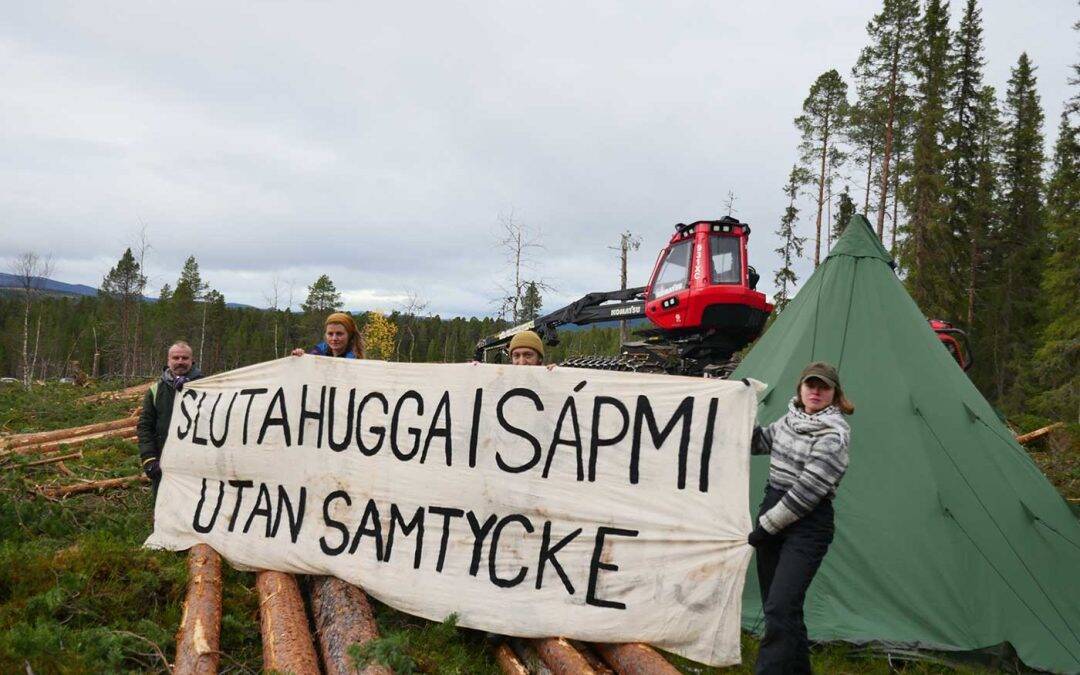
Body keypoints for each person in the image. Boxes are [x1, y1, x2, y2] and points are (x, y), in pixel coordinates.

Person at [747, 361, 854, 674]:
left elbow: (807, 493)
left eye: (824, 387)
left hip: (808, 525)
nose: (816, 391)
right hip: (773, 512)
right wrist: (741, 406)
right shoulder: (789, 420)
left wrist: (765, 527)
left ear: (835, 394)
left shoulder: (835, 435)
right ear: (801, 388)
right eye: (811, 385)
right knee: (780, 610)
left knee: (780, 606)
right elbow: (758, 442)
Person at [137, 341, 204, 500]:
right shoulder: (156, 390)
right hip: (164, 464)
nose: (180, 361)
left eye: (184, 358)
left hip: (197, 464)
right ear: (168, 361)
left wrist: (193, 389)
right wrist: (149, 458)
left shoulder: (206, 387)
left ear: (191, 361)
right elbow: (145, 427)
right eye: (176, 358)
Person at [291, 312, 364, 359]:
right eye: (330, 334)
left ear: (349, 334)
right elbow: (307, 366)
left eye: (339, 334)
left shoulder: (355, 360)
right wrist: (298, 356)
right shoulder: (320, 350)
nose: (334, 338)